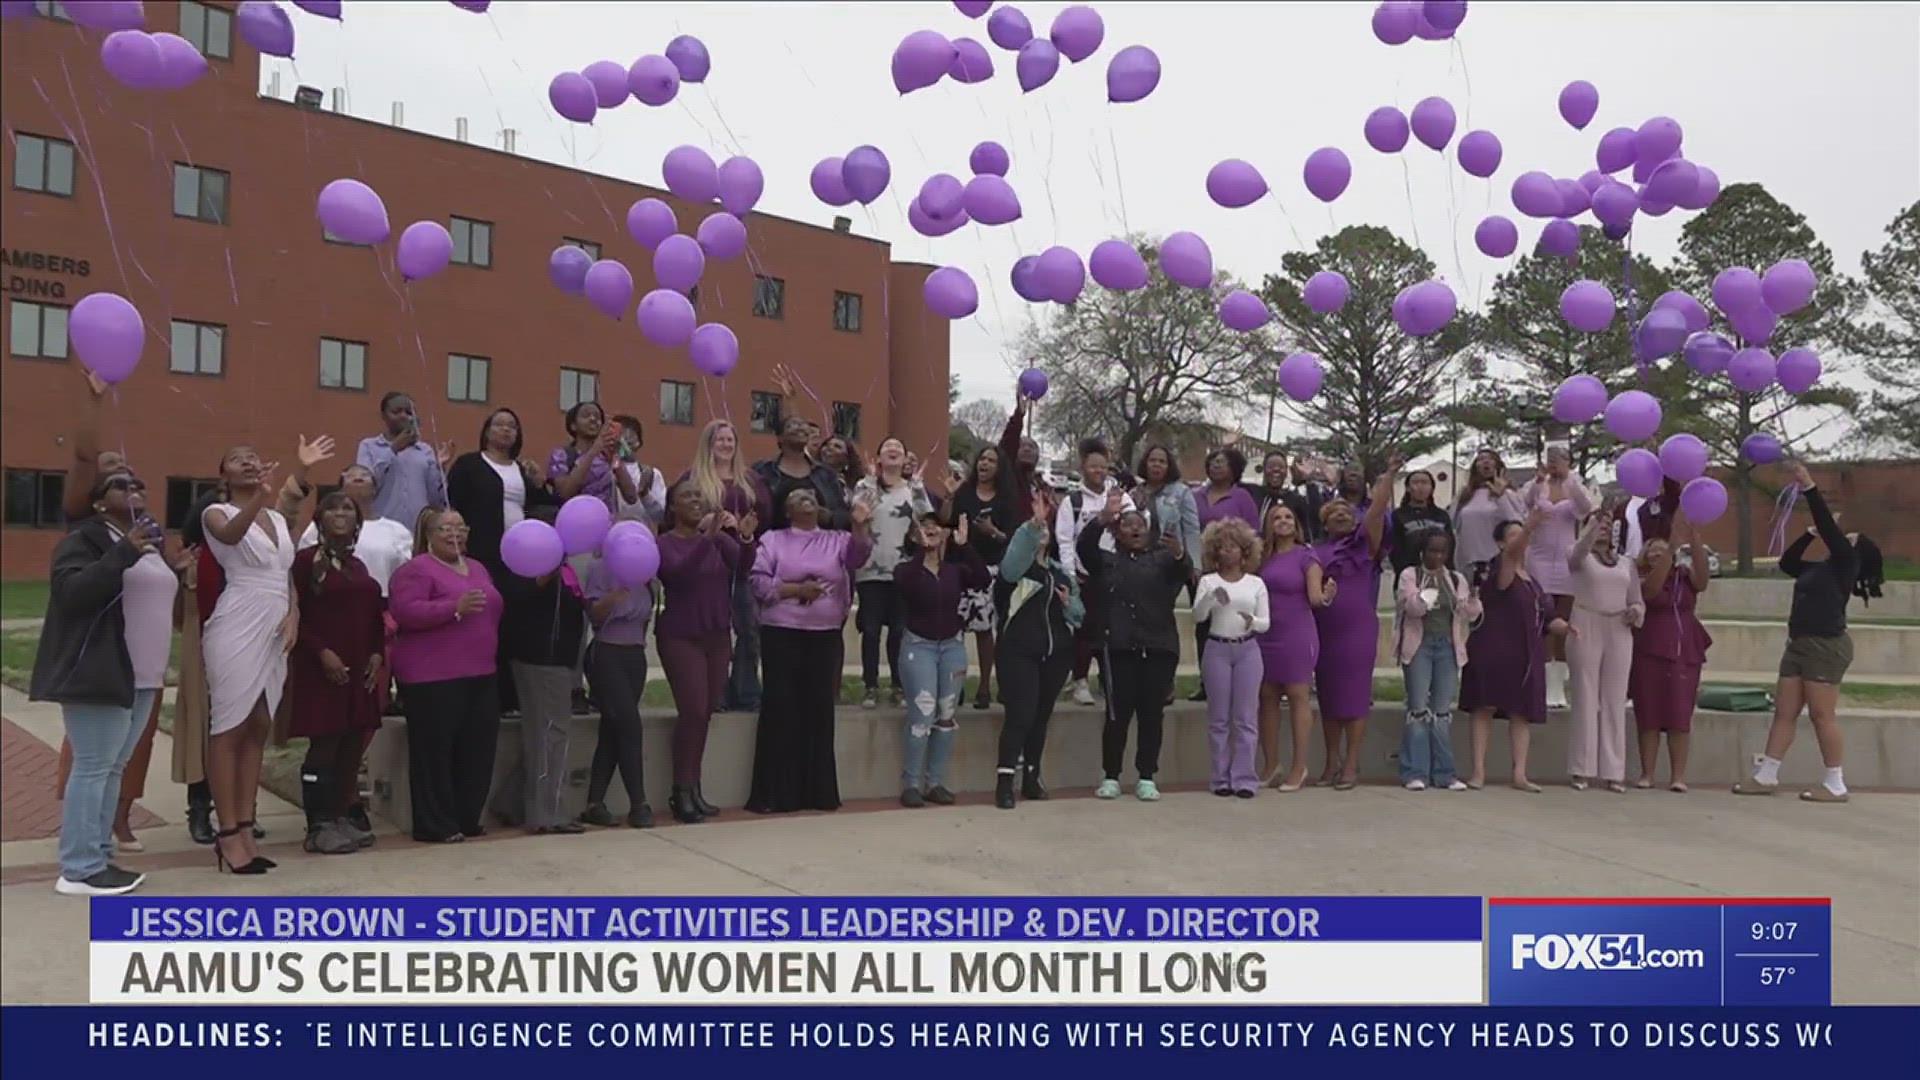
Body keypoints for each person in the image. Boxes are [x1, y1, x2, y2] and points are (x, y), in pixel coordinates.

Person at [31, 470, 182, 895]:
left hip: (145, 676)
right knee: (93, 766)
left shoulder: (143, 541)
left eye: (138, 485)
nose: (134, 490)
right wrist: (123, 554)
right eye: (121, 485)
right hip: (101, 672)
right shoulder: (84, 540)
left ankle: (98, 853)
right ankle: (79, 868)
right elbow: (72, 594)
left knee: (113, 767)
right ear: (98, 502)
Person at [200, 438, 330, 873]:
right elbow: (231, 536)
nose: (249, 461)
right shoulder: (216, 513)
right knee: (230, 725)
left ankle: (247, 826)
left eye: (253, 456)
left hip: (276, 627)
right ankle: (227, 835)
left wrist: (293, 613)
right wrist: (259, 495)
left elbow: (284, 571)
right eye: (238, 459)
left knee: (257, 726)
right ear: (224, 476)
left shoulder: (275, 516)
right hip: (238, 621)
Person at [1735, 463, 1884, 803]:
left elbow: (1832, 529)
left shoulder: (1846, 566)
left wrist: (1809, 487)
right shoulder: (1821, 568)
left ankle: (1835, 782)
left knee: (1820, 714)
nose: (1845, 537)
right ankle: (1767, 775)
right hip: (1799, 643)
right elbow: (1788, 564)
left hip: (1826, 645)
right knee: (1785, 711)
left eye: (1852, 539)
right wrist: (1808, 535)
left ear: (1857, 553)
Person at [745, 489, 873, 813]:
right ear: (787, 511)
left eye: (812, 496)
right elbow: (758, 583)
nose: (807, 498)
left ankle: (818, 793)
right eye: (798, 496)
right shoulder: (773, 540)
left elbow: (859, 556)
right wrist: (795, 590)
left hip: (825, 635)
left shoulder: (838, 539)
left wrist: (860, 526)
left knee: (819, 709)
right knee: (780, 709)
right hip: (781, 633)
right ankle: (776, 795)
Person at [389, 509, 503, 842]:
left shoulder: (479, 567)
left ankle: (466, 816)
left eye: (461, 527)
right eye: (445, 528)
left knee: (476, 749)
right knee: (434, 752)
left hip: (481, 672)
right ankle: (435, 823)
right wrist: (453, 609)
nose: (455, 533)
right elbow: (405, 612)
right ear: (428, 534)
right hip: (432, 676)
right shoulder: (415, 570)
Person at [287, 491, 385, 854]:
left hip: (360, 667)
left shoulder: (359, 567)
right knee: (325, 744)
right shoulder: (304, 563)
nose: (341, 513)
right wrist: (321, 652)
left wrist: (377, 652)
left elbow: (374, 614)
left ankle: (342, 812)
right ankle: (318, 823)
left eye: (348, 508)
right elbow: (295, 613)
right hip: (321, 669)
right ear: (318, 519)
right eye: (333, 508)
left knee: (351, 744)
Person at [447, 408, 560, 719]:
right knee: (482, 622)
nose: (506, 430)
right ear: (486, 431)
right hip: (483, 556)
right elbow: (450, 504)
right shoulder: (470, 465)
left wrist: (541, 482)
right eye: (499, 424)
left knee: (514, 624)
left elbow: (547, 505)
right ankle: (479, 695)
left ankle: (510, 697)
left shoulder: (522, 470)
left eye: (513, 425)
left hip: (521, 561)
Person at [1077, 495, 1190, 802]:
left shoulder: (1163, 559)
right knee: (1117, 716)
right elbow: (1083, 548)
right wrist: (1102, 519)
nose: (1134, 529)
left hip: (1158, 647)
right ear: (1117, 532)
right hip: (1118, 648)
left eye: (1140, 524)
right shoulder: (1106, 562)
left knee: (1152, 715)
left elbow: (1184, 572)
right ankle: (1111, 775)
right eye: (1127, 525)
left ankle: (1146, 776)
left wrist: (1180, 556)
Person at [653, 481, 753, 823]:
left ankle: (694, 788)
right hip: (681, 635)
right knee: (692, 709)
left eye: (699, 496)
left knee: (707, 711)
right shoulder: (663, 544)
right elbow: (677, 575)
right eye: (687, 497)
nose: (696, 501)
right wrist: (708, 538)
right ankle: (680, 790)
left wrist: (744, 537)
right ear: (672, 508)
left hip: (717, 634)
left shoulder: (716, 540)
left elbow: (742, 565)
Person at [1460, 513, 1573, 792]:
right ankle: (1478, 772)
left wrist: (1567, 628)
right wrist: (1531, 524)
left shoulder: (1532, 580)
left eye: (1522, 535)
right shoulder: (1500, 569)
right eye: (1512, 535)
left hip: (1527, 654)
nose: (1521, 540)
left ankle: (1520, 774)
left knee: (1521, 714)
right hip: (1493, 649)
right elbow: (1512, 555)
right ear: (1500, 544)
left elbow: (1548, 617)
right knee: (1484, 707)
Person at [993, 491, 1084, 810]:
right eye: (1036, 529)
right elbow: (1012, 561)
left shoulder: (1060, 574)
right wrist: (1032, 525)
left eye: (1045, 528)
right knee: (1020, 715)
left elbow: (1079, 615)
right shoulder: (1016, 571)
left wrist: (1069, 603)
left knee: (1041, 716)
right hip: (1019, 652)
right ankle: (1005, 781)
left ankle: (1032, 775)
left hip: (1056, 655)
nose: (1042, 531)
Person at [893, 511, 989, 807]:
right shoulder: (906, 570)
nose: (930, 529)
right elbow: (906, 586)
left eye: (935, 525)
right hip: (918, 647)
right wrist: (922, 551)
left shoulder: (954, 570)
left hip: (952, 648)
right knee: (922, 714)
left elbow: (983, 579)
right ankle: (910, 784)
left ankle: (934, 782)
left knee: (946, 716)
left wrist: (966, 546)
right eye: (923, 526)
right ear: (912, 536)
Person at [1310, 462, 1395, 789]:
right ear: (1325, 522)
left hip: (1358, 631)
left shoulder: (1365, 544)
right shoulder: (1316, 553)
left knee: (1355, 698)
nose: (1343, 516)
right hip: (1325, 631)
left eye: (1347, 512)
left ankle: (1352, 765)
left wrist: (1387, 476)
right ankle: (1331, 762)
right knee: (1330, 698)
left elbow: (1375, 511)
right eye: (1335, 514)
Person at [497, 543, 592, 834]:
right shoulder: (523, 574)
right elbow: (518, 607)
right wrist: (544, 577)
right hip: (540, 660)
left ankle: (511, 802)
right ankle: (548, 814)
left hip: (560, 662)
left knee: (543, 734)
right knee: (552, 735)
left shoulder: (566, 573)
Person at [685, 419, 772, 714]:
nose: (726, 445)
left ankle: (747, 693)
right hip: (708, 566)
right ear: (708, 444)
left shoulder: (751, 481)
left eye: (730, 440)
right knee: (715, 630)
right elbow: (679, 516)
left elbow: (766, 518)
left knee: (748, 628)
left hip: (743, 561)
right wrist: (705, 522)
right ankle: (717, 694)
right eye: (720, 440)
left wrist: (745, 526)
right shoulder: (694, 479)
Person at [581, 540, 660, 831]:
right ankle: (638, 803)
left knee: (613, 730)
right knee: (628, 724)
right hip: (607, 651)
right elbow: (595, 615)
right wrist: (618, 594)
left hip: (634, 654)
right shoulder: (600, 568)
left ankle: (594, 802)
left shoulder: (648, 574)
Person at [851, 437, 935, 708]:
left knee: (899, 630)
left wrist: (920, 488)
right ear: (878, 457)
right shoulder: (865, 486)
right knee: (872, 630)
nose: (893, 450)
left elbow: (926, 520)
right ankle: (871, 686)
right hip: (870, 569)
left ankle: (898, 686)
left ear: (905, 459)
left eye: (899, 447)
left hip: (903, 571)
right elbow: (856, 515)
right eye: (887, 447)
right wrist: (869, 487)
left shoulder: (913, 489)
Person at [1564, 506, 1643, 793]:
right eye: (1600, 523)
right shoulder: (1579, 557)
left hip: (1618, 627)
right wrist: (1592, 524)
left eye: (1609, 523)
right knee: (1585, 695)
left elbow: (1636, 597)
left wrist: (1635, 610)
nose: (1605, 527)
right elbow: (1577, 552)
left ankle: (1613, 770)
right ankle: (1581, 768)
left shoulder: (1625, 563)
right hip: (1587, 621)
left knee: (1614, 698)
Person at [1631, 513, 1712, 792]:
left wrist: (1695, 539)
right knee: (1649, 712)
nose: (1657, 553)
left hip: (1685, 648)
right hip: (1650, 647)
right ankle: (1647, 773)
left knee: (1680, 714)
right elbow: (1651, 591)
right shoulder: (1639, 577)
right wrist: (1671, 550)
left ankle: (1678, 776)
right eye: (1652, 550)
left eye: (1661, 550)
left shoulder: (1684, 576)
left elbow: (1703, 580)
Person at [1392, 532, 1479, 792]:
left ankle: (1445, 773)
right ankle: (1414, 772)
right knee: (1418, 709)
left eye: (1442, 552)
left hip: (1447, 648)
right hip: (1419, 647)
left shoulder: (1455, 579)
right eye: (1432, 551)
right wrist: (1425, 592)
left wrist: (1473, 597)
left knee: (1441, 712)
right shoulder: (1410, 576)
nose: (1437, 557)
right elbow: (1412, 609)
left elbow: (1470, 615)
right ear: (1423, 551)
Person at [1190, 518, 1269, 798]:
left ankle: (1245, 778)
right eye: (1222, 547)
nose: (1228, 552)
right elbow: (1198, 616)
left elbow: (1266, 622)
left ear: (1245, 551)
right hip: (1217, 650)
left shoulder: (1256, 583)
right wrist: (1211, 599)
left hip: (1247, 649)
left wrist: (1253, 622)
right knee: (1219, 719)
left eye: (1233, 546)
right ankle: (1220, 778)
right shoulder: (1208, 581)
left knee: (1246, 718)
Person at [1056, 438, 1132, 706]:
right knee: (1085, 631)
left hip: (1115, 572)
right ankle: (1080, 681)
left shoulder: (1120, 497)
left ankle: (1109, 681)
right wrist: (1069, 573)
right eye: (1094, 467)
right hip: (1084, 574)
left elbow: (1135, 524)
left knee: (1112, 629)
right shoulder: (1072, 501)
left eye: (1104, 467)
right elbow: (1065, 540)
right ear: (1083, 468)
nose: (1100, 472)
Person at [1255, 503, 1325, 790]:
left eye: (1288, 517)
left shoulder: (1307, 556)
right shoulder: (1261, 557)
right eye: (1276, 518)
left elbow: (1315, 598)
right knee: (1267, 695)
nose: (1282, 521)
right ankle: (1271, 765)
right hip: (1265, 634)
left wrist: (1326, 595)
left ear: (1296, 525)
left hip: (1297, 633)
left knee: (1297, 694)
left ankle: (1299, 766)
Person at [1518, 444, 1593, 709]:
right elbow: (1524, 503)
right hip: (1538, 559)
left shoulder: (1575, 485)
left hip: (1566, 561)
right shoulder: (1536, 485)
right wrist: (1540, 481)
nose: (1554, 463)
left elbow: (1585, 508)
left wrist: (1569, 478)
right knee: (1542, 622)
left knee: (1563, 622)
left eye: (1559, 459)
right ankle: (1541, 683)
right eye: (1550, 459)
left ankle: (1558, 686)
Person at [942, 444, 1016, 709]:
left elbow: (1012, 538)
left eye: (991, 461)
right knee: (955, 632)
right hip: (959, 568)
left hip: (990, 571)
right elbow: (945, 523)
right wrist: (949, 498)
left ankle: (985, 685)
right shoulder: (962, 492)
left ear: (999, 468)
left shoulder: (1006, 498)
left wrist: (992, 531)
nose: (984, 464)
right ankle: (956, 686)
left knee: (985, 632)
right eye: (982, 459)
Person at [299, 464, 414, 592]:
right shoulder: (322, 525)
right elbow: (306, 565)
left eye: (365, 475)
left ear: (374, 489)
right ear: (341, 490)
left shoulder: (398, 531)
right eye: (351, 476)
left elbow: (407, 574)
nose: (358, 478)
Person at [355, 392, 450, 532]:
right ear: (384, 415)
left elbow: (436, 500)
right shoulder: (369, 446)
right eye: (396, 411)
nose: (404, 416)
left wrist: (440, 468)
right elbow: (364, 489)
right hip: (381, 530)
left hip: (417, 532)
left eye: (409, 412)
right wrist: (393, 449)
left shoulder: (425, 450)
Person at [753, 415, 852, 532]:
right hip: (773, 547)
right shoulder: (762, 471)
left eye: (803, 426)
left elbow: (844, 517)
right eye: (792, 425)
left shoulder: (825, 474)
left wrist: (828, 517)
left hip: (817, 546)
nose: (799, 428)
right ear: (779, 437)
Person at [549, 401, 639, 507]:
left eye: (597, 417)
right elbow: (564, 493)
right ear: (573, 426)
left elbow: (631, 497)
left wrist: (615, 457)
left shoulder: (606, 456)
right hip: (573, 519)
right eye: (586, 415)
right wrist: (593, 451)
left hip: (606, 520)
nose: (593, 419)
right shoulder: (561, 454)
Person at [1451, 449, 1525, 578]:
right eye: (1480, 459)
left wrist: (1500, 496)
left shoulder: (1509, 494)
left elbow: (1516, 524)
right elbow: (1453, 525)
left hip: (1495, 561)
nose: (1485, 461)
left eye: (1490, 459)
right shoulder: (1464, 495)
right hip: (1468, 561)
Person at [1387, 468, 1453, 578]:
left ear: (1432, 488)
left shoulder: (1442, 515)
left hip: (1439, 575)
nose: (1420, 487)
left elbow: (1450, 546)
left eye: (1425, 483)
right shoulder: (1398, 515)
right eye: (1416, 482)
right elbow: (1394, 549)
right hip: (1409, 576)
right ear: (1408, 488)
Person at [609, 414, 669, 527]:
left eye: (630, 434)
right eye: (619, 433)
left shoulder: (651, 474)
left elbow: (661, 516)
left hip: (642, 536)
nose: (623, 439)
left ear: (638, 442)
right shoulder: (603, 470)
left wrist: (645, 495)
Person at [1251, 450, 1322, 544]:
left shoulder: (1294, 499)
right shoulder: (1253, 493)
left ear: (1286, 471)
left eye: (1281, 467)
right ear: (1263, 470)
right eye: (1270, 466)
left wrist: (1308, 479)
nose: (1276, 469)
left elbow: (1314, 519)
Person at [1614, 474, 1682, 559]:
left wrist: (1664, 469)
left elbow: (1673, 491)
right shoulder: (1622, 508)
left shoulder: (1662, 503)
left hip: (1655, 561)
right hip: (1628, 563)